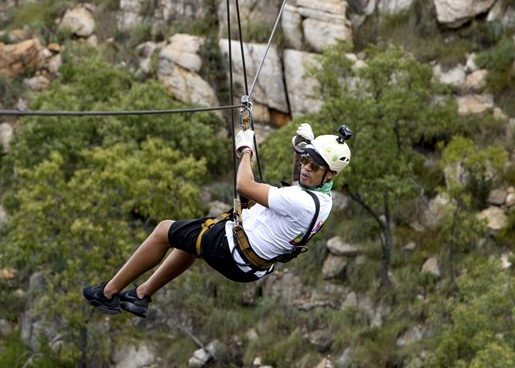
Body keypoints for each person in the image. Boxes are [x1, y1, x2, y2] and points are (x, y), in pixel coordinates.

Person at [83, 123, 352, 318]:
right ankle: (141, 295)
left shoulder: (301, 202)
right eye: (305, 161)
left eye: (314, 167)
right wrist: (299, 150)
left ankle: (107, 293)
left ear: (330, 175)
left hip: (232, 250)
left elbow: (244, 185)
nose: (305, 168)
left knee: (164, 230)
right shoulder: (323, 200)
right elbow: (297, 185)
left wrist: (245, 150)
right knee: (190, 242)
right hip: (250, 264)